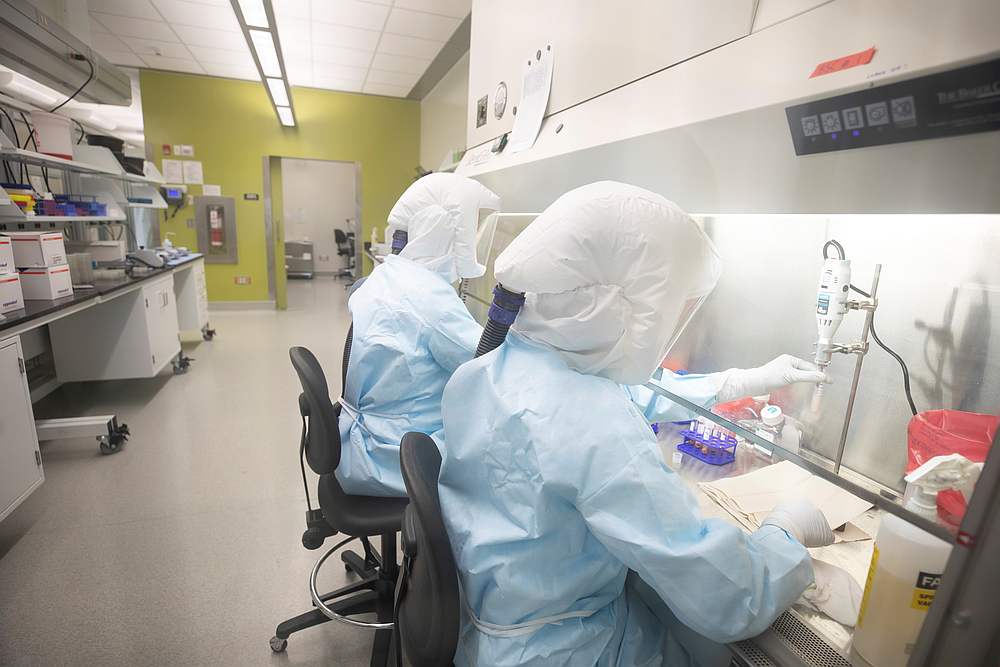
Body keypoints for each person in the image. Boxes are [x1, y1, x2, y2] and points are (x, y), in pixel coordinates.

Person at [437, 181, 833, 667]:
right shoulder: (593, 425)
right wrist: (784, 536)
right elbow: (727, 598)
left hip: (492, 633)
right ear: (623, 305)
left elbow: (616, 395)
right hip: (563, 652)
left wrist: (738, 381)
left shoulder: (487, 370)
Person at [337, 173, 500, 497]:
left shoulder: (388, 274)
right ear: (456, 237)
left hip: (360, 439)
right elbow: (486, 365)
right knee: (502, 454)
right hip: (395, 458)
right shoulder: (430, 299)